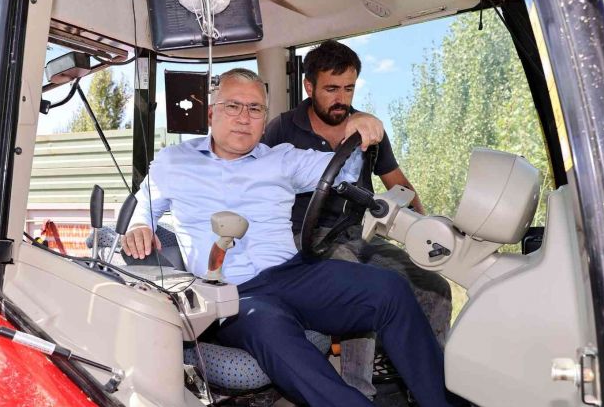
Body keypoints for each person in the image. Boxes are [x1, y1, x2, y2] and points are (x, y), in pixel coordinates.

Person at [122, 68, 460, 407]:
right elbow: (142, 206)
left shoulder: (281, 158)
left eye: (255, 108)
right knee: (270, 328)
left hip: (294, 274)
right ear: (211, 113)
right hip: (229, 294)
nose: (244, 117)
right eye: (232, 106)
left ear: (264, 118)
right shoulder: (173, 161)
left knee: (390, 289)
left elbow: (345, 170)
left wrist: (358, 125)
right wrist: (139, 226)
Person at [262, 40, 452, 400]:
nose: (341, 99)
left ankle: (430, 385)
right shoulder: (282, 129)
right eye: (331, 89)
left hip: (360, 233)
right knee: (360, 286)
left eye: (348, 88)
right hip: (306, 240)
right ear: (309, 87)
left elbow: (398, 183)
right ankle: (357, 392)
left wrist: (426, 232)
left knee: (434, 286)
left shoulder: (369, 131)